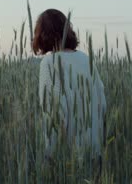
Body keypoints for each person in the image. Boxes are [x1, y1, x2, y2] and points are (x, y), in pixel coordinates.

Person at [33, 9, 107, 164]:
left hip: (69, 163)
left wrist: (49, 157)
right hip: (96, 155)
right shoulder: (87, 60)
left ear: (42, 35)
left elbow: (55, 117)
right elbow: (102, 105)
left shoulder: (49, 64)